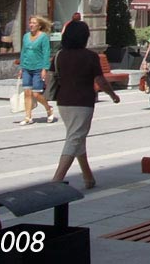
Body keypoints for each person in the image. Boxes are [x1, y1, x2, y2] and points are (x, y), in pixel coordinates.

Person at [51, 20, 121, 189]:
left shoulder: (59, 55)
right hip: (83, 102)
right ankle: (56, 180)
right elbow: (100, 80)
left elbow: (50, 77)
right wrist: (113, 95)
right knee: (75, 138)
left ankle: (88, 177)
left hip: (63, 101)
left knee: (77, 136)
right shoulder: (90, 56)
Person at [17, 16, 56, 125]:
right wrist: (21, 67)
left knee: (36, 94)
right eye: (30, 23)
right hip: (26, 68)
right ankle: (28, 116)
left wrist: (45, 68)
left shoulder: (43, 37)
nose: (31, 25)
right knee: (27, 93)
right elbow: (23, 52)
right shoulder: (25, 37)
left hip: (38, 68)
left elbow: (46, 53)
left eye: (34, 23)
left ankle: (49, 109)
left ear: (39, 26)